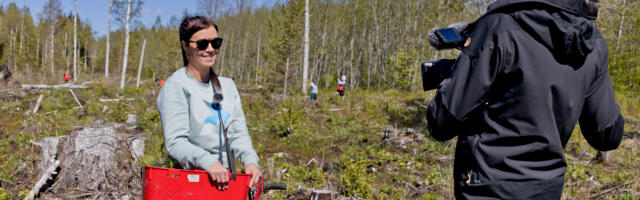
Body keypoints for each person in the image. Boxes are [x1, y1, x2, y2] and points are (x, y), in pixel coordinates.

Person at [426, 0, 624, 199]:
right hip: (547, 187)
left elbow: (441, 121)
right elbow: (607, 134)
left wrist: (461, 69)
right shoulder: (593, 42)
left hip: (487, 185)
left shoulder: (497, 27)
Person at [157, 16, 262, 190]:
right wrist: (208, 162)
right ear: (185, 46)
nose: (211, 49)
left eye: (216, 43)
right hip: (192, 183)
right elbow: (176, 142)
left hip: (227, 182)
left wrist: (251, 162)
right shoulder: (176, 86)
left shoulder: (228, 86)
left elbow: (239, 133)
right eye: (202, 44)